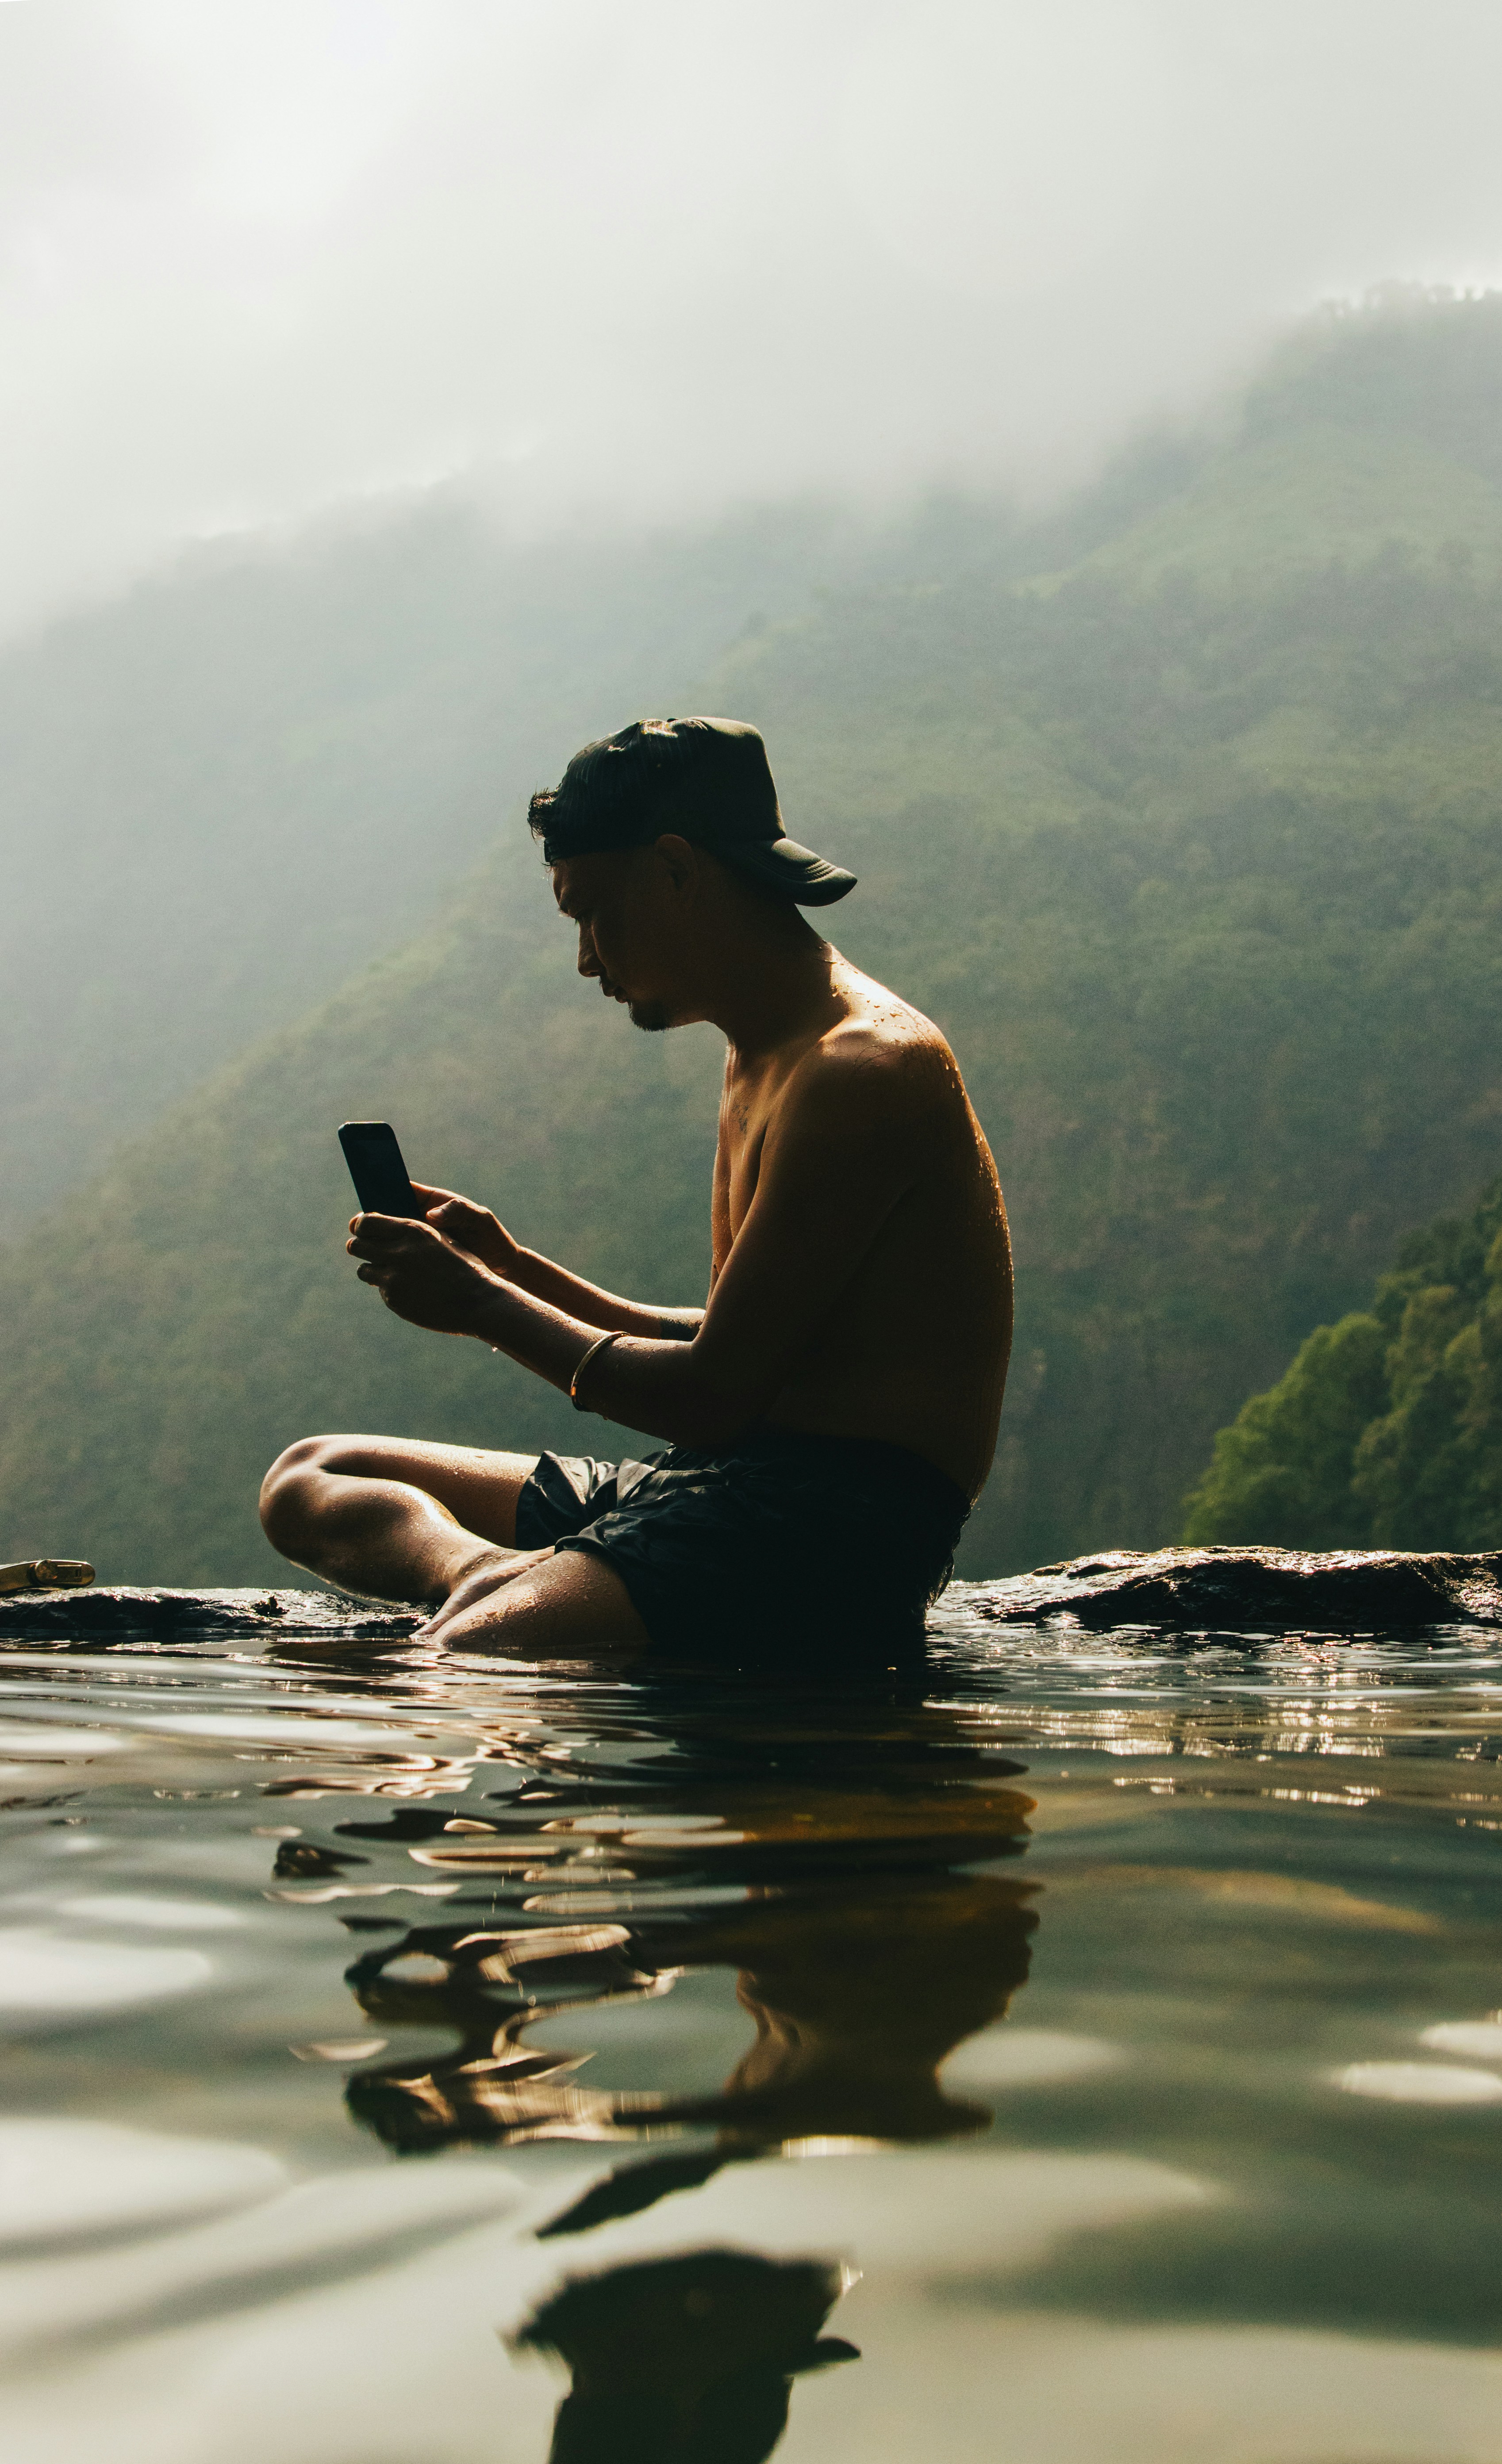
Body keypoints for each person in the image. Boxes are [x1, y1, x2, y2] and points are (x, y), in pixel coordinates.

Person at [259, 717, 1012, 1655]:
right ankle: (475, 1571)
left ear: (674, 871)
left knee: (467, 1659)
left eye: (592, 913)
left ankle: (502, 1597)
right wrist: (513, 1266)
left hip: (824, 1533)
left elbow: (712, 1395)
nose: (587, 957)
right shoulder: (762, 1051)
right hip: (722, 1482)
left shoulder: (859, 1072)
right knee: (311, 1475)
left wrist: (484, 1305)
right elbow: (748, 1344)